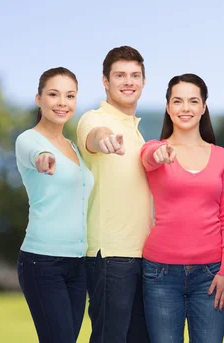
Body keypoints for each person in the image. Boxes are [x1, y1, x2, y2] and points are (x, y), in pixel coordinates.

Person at [140, 73, 224, 343]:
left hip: (211, 275)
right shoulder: (155, 149)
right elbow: (148, 157)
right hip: (160, 273)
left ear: (204, 107)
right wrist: (157, 154)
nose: (186, 108)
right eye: (178, 101)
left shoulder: (223, 158)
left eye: (193, 101)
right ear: (168, 107)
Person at [76, 46, 151, 343]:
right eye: (120, 75)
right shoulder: (93, 119)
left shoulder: (137, 133)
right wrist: (104, 140)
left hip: (143, 256)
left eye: (135, 75)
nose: (128, 81)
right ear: (106, 81)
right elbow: (95, 137)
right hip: (110, 255)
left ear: (144, 82)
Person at [15, 67, 94, 343]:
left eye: (70, 95)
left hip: (77, 264)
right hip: (42, 261)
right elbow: (37, 153)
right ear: (39, 99)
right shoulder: (28, 139)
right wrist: (43, 157)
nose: (62, 102)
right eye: (54, 94)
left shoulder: (73, 147)